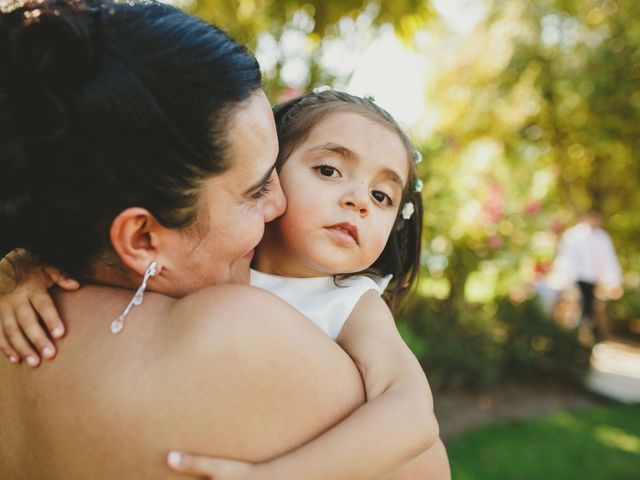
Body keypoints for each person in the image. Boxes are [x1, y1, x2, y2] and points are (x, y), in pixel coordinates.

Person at [0, 1, 450, 478]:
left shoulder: (347, 303)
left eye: (382, 195)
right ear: (142, 236)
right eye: (257, 187)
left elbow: (410, 413)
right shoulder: (236, 330)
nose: (277, 204)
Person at [553, 211, 623, 337]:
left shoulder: (602, 237)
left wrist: (614, 281)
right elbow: (565, 259)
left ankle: (588, 337)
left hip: (594, 280)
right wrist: (563, 280)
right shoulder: (573, 236)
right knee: (577, 309)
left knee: (592, 310)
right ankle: (575, 337)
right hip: (576, 279)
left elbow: (609, 259)